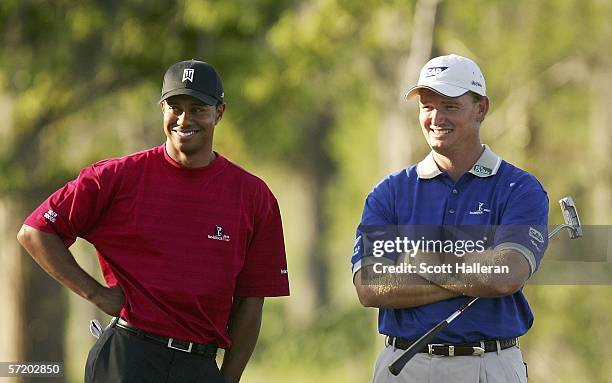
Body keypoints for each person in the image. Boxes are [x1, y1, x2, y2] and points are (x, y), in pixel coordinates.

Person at [17, 59, 290, 383]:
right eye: (175, 107)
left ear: (219, 112)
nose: (184, 118)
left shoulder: (254, 197)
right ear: (162, 108)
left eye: (198, 108)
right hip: (127, 357)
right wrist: (98, 295)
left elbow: (251, 302)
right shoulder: (116, 177)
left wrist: (227, 379)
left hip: (199, 364)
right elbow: (36, 231)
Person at [352, 54, 548, 383]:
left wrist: (421, 260)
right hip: (403, 365)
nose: (436, 117)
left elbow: (505, 276)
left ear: (481, 108)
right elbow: (370, 287)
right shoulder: (390, 192)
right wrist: (475, 275)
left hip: (488, 364)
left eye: (450, 106)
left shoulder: (519, 188)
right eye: (427, 106)